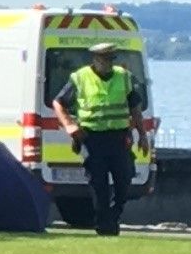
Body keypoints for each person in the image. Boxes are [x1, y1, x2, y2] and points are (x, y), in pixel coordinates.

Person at [52, 39, 150, 238]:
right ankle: (105, 225)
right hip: (92, 138)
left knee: (124, 178)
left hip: (119, 138)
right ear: (95, 59)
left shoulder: (124, 77)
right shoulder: (80, 78)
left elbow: (135, 109)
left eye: (110, 59)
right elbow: (59, 102)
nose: (107, 63)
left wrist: (142, 135)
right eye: (103, 59)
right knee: (99, 184)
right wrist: (70, 125)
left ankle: (113, 215)